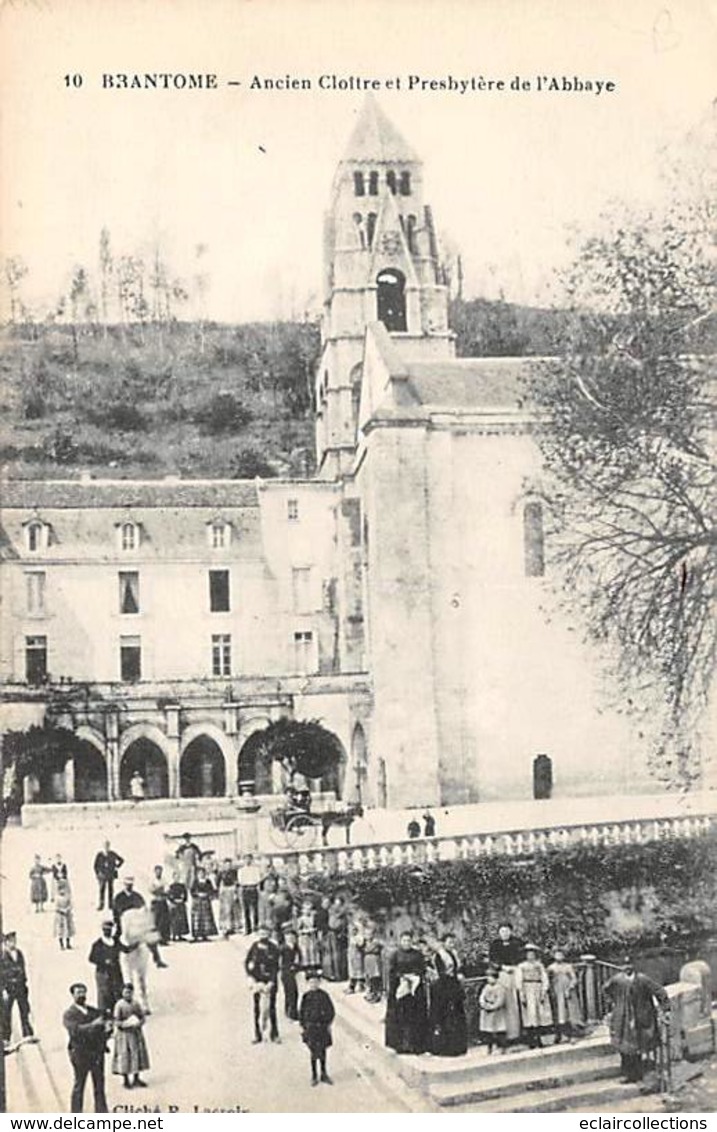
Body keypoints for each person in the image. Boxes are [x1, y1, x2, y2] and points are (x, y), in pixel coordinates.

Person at [604, 957, 670, 1083]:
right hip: (622, 1017)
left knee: (639, 1045)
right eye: (624, 965)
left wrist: (665, 1008)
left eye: (629, 964)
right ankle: (629, 1074)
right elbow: (606, 989)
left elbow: (659, 991)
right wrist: (614, 1003)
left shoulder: (642, 979)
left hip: (641, 1017)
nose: (626, 967)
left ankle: (641, 1073)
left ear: (633, 965)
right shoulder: (617, 979)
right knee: (624, 1045)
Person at [62, 982, 112, 1113]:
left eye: (83, 992)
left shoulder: (93, 1011)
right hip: (80, 1054)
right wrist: (94, 1024)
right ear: (72, 995)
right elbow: (75, 1031)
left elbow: (103, 1026)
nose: (81, 995)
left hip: (96, 1053)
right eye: (78, 992)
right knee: (80, 1085)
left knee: (99, 1085)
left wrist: (108, 1029)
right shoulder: (69, 1014)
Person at [385, 930, 429, 1054]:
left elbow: (422, 968)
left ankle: (416, 1045)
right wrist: (401, 977)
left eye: (408, 940)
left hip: (414, 990)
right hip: (400, 989)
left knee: (415, 1017)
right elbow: (392, 971)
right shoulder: (395, 955)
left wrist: (414, 975)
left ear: (412, 941)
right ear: (400, 941)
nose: (406, 943)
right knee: (400, 1017)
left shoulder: (417, 954)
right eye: (404, 940)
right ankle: (401, 1045)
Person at [113, 876, 167, 969]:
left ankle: (157, 959)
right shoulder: (119, 897)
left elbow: (143, 908)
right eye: (127, 885)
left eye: (130, 885)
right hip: (124, 922)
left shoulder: (137, 896)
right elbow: (116, 911)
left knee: (150, 937)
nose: (129, 887)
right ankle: (114, 959)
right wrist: (119, 921)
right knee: (116, 938)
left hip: (136, 923)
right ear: (124, 885)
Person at [429, 933, 468, 1056]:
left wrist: (459, 975)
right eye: (449, 942)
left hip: (454, 987)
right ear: (443, 943)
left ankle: (457, 1046)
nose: (452, 944)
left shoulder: (454, 954)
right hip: (443, 989)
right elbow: (441, 973)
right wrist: (452, 976)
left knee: (456, 1016)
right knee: (444, 1016)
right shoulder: (439, 956)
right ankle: (444, 1048)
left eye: (453, 942)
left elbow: (459, 969)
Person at [488, 922, 524, 1044]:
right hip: (503, 974)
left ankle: (521, 1033)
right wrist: (503, 967)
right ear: (499, 933)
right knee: (506, 1003)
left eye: (507, 931)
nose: (505, 933)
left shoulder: (517, 942)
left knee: (518, 1001)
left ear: (511, 931)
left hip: (516, 972)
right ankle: (507, 1034)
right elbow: (493, 960)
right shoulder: (495, 945)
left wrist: (517, 966)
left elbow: (523, 956)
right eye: (502, 931)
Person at [245, 925, 281, 1043]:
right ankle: (258, 1034)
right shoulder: (254, 947)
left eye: (265, 933)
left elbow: (276, 967)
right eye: (261, 933)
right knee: (257, 1008)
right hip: (257, 981)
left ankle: (274, 1034)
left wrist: (271, 982)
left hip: (270, 982)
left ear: (269, 934)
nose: (263, 936)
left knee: (271, 1008)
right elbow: (248, 963)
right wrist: (251, 978)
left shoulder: (274, 948)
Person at [299, 970, 335, 1086]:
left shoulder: (324, 996)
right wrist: (303, 1026)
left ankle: (324, 1073)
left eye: (316, 982)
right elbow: (301, 1012)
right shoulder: (306, 996)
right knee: (313, 1052)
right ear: (308, 983)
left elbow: (331, 1010)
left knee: (323, 1051)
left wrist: (328, 1023)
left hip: (322, 1027)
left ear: (319, 983)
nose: (313, 984)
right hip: (311, 1028)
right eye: (311, 982)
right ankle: (314, 1075)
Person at [111, 983, 150, 1090]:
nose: (128, 994)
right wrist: (125, 1024)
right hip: (124, 1035)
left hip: (136, 1033)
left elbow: (142, 1017)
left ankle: (136, 1078)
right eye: (126, 992)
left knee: (137, 1054)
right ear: (122, 993)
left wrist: (139, 1023)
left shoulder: (136, 1003)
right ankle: (126, 1080)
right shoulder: (119, 1005)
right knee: (125, 1055)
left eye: (130, 992)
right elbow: (116, 1021)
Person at [516, 943, 552, 1048]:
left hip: (538, 987)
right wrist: (522, 993)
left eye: (532, 954)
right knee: (530, 1014)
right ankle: (531, 1040)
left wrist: (544, 991)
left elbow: (544, 978)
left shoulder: (539, 965)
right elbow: (519, 980)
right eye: (528, 954)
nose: (530, 956)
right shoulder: (521, 966)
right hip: (528, 988)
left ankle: (540, 1039)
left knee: (539, 1013)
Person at [1, 932, 35, 1046]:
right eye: (10, 941)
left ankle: (27, 1032)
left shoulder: (19, 953)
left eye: (14, 941)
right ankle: (6, 1037)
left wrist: (24, 982)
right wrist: (4, 990)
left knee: (24, 1010)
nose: (13, 943)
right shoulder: (2, 956)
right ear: (5, 943)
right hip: (9, 988)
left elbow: (23, 968)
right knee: (6, 1013)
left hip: (21, 987)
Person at [88, 921, 123, 1013]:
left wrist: (137, 944)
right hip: (103, 972)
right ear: (103, 931)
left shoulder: (115, 942)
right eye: (106, 930)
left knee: (117, 990)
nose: (108, 932)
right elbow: (91, 958)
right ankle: (104, 1013)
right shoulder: (98, 944)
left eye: (109, 930)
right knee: (105, 992)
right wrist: (104, 961)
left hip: (115, 971)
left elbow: (125, 949)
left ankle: (117, 1012)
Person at [547, 948, 581, 1043]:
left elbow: (574, 979)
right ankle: (558, 1035)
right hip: (556, 990)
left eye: (561, 954)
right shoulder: (551, 968)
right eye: (557, 954)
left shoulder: (568, 966)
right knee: (558, 1012)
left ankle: (572, 1034)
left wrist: (570, 988)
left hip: (567, 990)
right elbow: (548, 980)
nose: (559, 956)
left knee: (569, 1011)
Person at [479, 966, 508, 1054]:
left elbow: (501, 1000)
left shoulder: (500, 988)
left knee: (500, 1030)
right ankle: (489, 1047)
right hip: (487, 1012)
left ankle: (502, 1047)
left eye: (491, 977)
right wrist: (484, 1005)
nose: (489, 979)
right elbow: (481, 998)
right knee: (488, 1031)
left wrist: (493, 1006)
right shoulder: (486, 987)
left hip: (497, 1012)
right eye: (488, 977)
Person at [93, 841, 124, 911]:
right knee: (102, 890)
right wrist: (98, 874)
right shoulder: (99, 855)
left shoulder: (112, 854)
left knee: (110, 890)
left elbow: (121, 860)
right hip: (102, 876)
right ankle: (101, 905)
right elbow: (95, 866)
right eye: (105, 846)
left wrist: (116, 866)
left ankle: (111, 905)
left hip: (110, 875)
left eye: (107, 846)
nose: (106, 847)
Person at [190, 866, 217, 941]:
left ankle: (205, 935)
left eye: (202, 873)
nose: (201, 874)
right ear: (197, 874)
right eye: (200, 873)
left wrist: (207, 894)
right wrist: (197, 894)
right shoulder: (195, 882)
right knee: (197, 919)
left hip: (205, 902)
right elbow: (192, 891)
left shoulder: (208, 881)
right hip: (197, 902)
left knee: (206, 919)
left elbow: (211, 890)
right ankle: (196, 936)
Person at [280, 928, 301, 1021]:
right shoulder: (283, 948)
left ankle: (291, 1010)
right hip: (286, 972)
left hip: (293, 972)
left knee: (293, 992)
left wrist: (297, 966)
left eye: (293, 937)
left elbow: (299, 959)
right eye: (288, 937)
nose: (291, 939)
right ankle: (291, 1013)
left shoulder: (296, 947)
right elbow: (279, 961)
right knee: (290, 992)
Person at [238, 853, 261, 934]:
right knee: (246, 910)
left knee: (255, 910)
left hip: (253, 889)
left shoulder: (256, 869)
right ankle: (248, 929)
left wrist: (252, 883)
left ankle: (256, 927)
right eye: (246, 859)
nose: (247, 860)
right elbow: (240, 881)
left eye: (249, 859)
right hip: (245, 890)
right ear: (243, 860)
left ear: (252, 860)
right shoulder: (241, 870)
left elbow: (257, 880)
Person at [217, 858, 240, 937]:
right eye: (226, 864)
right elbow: (217, 883)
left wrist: (236, 892)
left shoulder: (234, 872)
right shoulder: (221, 873)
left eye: (229, 864)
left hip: (232, 889)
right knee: (225, 910)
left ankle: (233, 927)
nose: (228, 866)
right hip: (224, 890)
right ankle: (225, 927)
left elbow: (237, 882)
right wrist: (219, 892)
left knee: (234, 909)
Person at [148, 865, 171, 946]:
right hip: (155, 902)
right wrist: (158, 890)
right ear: (154, 872)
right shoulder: (152, 880)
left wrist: (161, 891)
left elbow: (167, 890)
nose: (158, 873)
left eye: (160, 871)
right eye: (157, 871)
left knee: (164, 922)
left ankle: (163, 939)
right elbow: (151, 890)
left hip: (162, 901)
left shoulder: (164, 880)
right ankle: (154, 940)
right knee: (155, 921)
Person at [363, 921, 384, 1003]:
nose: (367, 936)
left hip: (374, 960)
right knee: (369, 978)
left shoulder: (375, 942)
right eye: (366, 934)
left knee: (375, 978)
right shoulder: (366, 942)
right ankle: (370, 993)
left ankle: (376, 994)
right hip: (368, 961)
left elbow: (369, 949)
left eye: (369, 934)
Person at [297, 899, 321, 969]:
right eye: (306, 909)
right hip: (304, 938)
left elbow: (315, 926)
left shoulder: (312, 918)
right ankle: (306, 967)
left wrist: (314, 930)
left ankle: (313, 966)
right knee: (305, 951)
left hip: (312, 937)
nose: (308, 911)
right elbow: (298, 930)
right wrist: (306, 931)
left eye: (309, 909)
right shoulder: (301, 919)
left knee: (313, 951)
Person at [166, 871, 190, 941]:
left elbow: (185, 895)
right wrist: (173, 900)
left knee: (181, 920)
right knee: (174, 921)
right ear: (173, 877)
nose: (176, 878)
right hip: (174, 905)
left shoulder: (182, 886)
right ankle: (174, 935)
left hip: (181, 904)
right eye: (175, 876)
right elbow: (169, 896)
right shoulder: (171, 886)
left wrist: (183, 899)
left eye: (178, 876)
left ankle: (180, 935)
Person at [346, 917, 366, 994]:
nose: (352, 931)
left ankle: (359, 985)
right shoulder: (352, 937)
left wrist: (357, 943)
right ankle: (352, 985)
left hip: (357, 955)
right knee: (352, 970)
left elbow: (360, 944)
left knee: (358, 970)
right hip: (352, 955)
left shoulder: (359, 937)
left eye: (354, 929)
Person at [55, 878, 75, 950]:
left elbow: (71, 905)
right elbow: (56, 907)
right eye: (60, 890)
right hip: (60, 916)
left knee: (68, 930)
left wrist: (67, 909)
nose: (62, 891)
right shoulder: (57, 898)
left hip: (67, 915)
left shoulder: (67, 897)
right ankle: (61, 944)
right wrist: (62, 910)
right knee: (61, 930)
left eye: (63, 889)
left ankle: (68, 943)